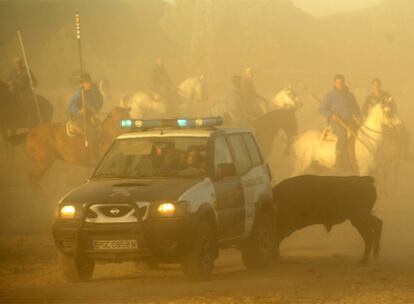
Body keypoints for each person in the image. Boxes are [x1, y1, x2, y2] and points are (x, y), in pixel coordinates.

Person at [363, 78, 412, 160]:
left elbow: (394, 106)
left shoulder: (387, 95)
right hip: (376, 122)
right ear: (372, 86)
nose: (376, 86)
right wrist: (367, 117)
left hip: (389, 118)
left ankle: (406, 153)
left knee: (405, 132)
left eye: (378, 84)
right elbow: (364, 110)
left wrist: (390, 114)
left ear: (380, 85)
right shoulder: (369, 98)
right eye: (374, 85)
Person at [319, 74, 361, 170]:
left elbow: (356, 108)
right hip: (337, 122)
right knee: (342, 135)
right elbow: (322, 109)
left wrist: (359, 116)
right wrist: (331, 115)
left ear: (344, 82)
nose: (340, 84)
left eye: (342, 82)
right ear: (335, 83)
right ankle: (338, 160)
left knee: (360, 134)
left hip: (350, 121)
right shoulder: (330, 96)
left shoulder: (350, 95)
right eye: (338, 82)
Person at [67, 73, 103, 161]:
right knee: (92, 132)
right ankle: (94, 158)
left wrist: (96, 107)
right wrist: (79, 111)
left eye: (89, 82)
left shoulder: (95, 89)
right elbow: (70, 106)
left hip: (90, 114)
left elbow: (100, 99)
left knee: (101, 128)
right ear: (82, 84)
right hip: (80, 117)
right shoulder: (78, 94)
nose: (89, 84)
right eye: (86, 83)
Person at [7, 57, 39, 126]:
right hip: (15, 94)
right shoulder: (12, 73)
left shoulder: (27, 71)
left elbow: (35, 82)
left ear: (21, 63)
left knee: (29, 107)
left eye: (18, 63)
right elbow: (8, 81)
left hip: (26, 93)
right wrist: (10, 84)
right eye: (14, 63)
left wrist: (32, 82)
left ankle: (31, 122)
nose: (16, 64)